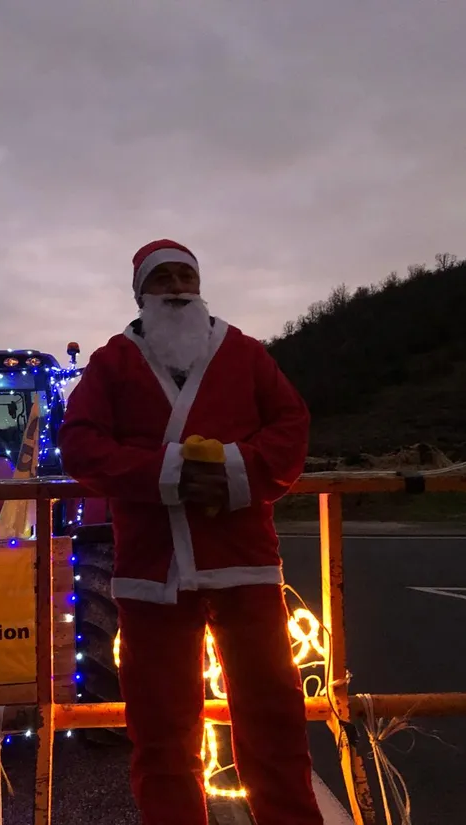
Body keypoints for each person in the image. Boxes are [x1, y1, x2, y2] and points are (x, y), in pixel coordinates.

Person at [58, 239, 324, 824]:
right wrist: (169, 473)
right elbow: (79, 444)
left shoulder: (247, 354)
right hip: (151, 572)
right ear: (140, 293)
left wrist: (235, 471)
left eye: (186, 276)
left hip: (244, 563)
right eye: (163, 279)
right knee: (159, 731)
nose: (177, 287)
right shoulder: (112, 363)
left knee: (273, 719)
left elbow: (291, 426)